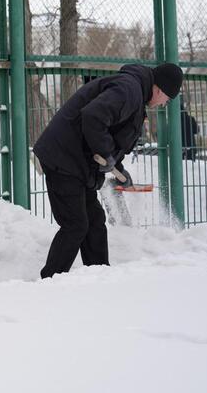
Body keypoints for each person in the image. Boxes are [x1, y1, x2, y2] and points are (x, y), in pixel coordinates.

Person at [33, 63, 183, 279]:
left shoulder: (135, 92)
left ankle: (100, 276)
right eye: (166, 99)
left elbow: (110, 133)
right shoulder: (129, 90)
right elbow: (94, 116)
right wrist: (106, 154)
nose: (163, 104)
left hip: (76, 161)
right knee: (75, 225)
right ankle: (50, 281)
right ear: (160, 89)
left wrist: (117, 165)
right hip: (63, 157)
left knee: (94, 221)